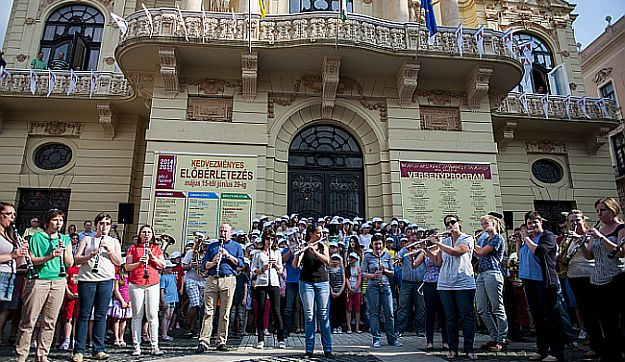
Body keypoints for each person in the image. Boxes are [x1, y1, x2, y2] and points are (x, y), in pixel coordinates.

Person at [15, 208, 74, 362]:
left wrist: (63, 252)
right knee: (29, 320)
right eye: (55, 220)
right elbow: (32, 260)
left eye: (61, 220)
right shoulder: (36, 237)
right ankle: (22, 355)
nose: (58, 223)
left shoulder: (65, 239)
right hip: (38, 280)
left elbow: (70, 263)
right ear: (48, 222)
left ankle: (42, 355)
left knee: (50, 321)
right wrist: (49, 256)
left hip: (58, 281)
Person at [71, 213, 122, 362]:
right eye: (101, 223)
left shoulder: (113, 241)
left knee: (101, 315)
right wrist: (89, 256)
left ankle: (98, 349)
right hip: (87, 280)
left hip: (106, 280)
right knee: (84, 315)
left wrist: (109, 250)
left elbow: (118, 262)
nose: (104, 226)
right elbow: (76, 259)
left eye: (107, 223)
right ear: (96, 225)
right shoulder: (87, 239)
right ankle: (78, 350)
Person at [580, 198, 625, 361]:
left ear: (613, 210)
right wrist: (582, 244)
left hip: (617, 277)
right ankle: (611, 353)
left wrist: (600, 237)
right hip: (597, 279)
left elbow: (621, 252)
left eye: (603, 210)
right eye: (598, 211)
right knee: (605, 320)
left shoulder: (621, 228)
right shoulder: (598, 228)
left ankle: (618, 350)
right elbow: (589, 255)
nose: (599, 214)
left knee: (618, 319)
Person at [518, 211, 563, 362]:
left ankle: (556, 351)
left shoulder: (547, 236)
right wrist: (521, 242)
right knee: (537, 317)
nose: (532, 225)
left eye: (535, 222)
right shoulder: (528, 239)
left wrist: (526, 239)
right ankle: (541, 349)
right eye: (530, 223)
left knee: (550, 317)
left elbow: (540, 251)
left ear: (541, 222)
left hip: (544, 281)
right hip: (529, 281)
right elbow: (522, 257)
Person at [431, 215, 477, 360]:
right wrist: (425, 250)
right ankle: (452, 349)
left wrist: (437, 244)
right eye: (447, 223)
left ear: (459, 223)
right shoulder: (444, 241)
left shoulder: (467, 238)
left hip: (463, 282)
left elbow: (456, 252)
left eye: (452, 222)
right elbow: (438, 262)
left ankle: (469, 349)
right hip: (445, 284)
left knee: (466, 317)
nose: (449, 225)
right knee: (450, 318)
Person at [196, 223, 244, 353]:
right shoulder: (212, 246)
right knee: (208, 312)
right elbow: (204, 264)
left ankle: (221, 341)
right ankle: (204, 341)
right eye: (221, 230)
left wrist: (228, 255)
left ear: (230, 233)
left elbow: (241, 263)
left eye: (225, 231)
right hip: (212, 279)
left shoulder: (236, 246)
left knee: (225, 313)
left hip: (228, 279)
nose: (222, 233)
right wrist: (213, 262)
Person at [564, 210, 601, 359]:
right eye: (571, 221)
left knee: (595, 312)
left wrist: (579, 239)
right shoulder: (569, 237)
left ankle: (602, 345)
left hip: (589, 275)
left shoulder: (590, 234)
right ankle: (594, 345)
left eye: (577, 220)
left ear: (583, 220)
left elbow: (589, 254)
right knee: (585, 313)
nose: (574, 223)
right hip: (573, 276)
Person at [125, 225, 166, 356]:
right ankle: (137, 347)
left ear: (152, 235)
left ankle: (155, 346)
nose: (146, 234)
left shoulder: (156, 248)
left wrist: (152, 257)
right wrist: (139, 263)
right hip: (136, 283)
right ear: (140, 235)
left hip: (152, 283)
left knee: (152, 315)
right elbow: (127, 267)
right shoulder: (133, 248)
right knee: (137, 315)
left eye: (149, 232)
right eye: (144, 232)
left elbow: (163, 265)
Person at [293, 225, 333, 358]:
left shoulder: (323, 247)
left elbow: (328, 262)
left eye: (322, 233)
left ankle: (328, 349)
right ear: (311, 233)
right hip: (306, 283)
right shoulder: (304, 246)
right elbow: (295, 265)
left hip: (322, 282)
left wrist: (314, 252)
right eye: (318, 233)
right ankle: (309, 349)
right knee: (309, 316)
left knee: (323, 316)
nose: (321, 235)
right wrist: (299, 253)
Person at [473, 215, 508, 352]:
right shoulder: (484, 239)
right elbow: (478, 255)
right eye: (482, 223)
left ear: (494, 223)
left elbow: (482, 251)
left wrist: (470, 242)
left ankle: (502, 339)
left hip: (493, 273)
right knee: (481, 308)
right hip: (482, 273)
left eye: (486, 223)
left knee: (497, 307)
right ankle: (494, 336)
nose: (483, 225)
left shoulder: (497, 238)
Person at [362, 233, 402, 348]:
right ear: (372, 244)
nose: (378, 246)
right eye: (376, 244)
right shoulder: (368, 256)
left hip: (385, 286)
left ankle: (392, 339)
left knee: (389, 313)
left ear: (383, 244)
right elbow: (363, 273)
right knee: (374, 313)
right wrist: (373, 276)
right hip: (372, 287)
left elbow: (393, 272)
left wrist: (385, 270)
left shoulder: (387, 255)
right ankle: (376, 339)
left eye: (380, 244)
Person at [251, 231, 285, 349]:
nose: (269, 241)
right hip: (261, 283)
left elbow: (281, 270)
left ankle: (281, 338)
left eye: (272, 239)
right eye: (267, 238)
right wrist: (262, 269)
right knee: (260, 310)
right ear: (264, 239)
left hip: (274, 282)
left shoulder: (277, 253)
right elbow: (252, 269)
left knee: (276, 310)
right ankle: (260, 339)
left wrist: (275, 265)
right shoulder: (258, 253)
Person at [0, 203, 28, 345]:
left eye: (14, 214)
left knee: (5, 310)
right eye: (9, 214)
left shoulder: (11, 234)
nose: (12, 217)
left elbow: (16, 262)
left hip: (10, 274)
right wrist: (12, 254)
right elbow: (10, 256)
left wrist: (23, 252)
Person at [414, 236, 448, 351]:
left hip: (443, 283)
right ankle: (429, 341)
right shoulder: (425, 251)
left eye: (438, 238)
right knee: (430, 313)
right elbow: (414, 265)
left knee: (443, 313)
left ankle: (445, 341)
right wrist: (408, 256)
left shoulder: (443, 250)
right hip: (429, 283)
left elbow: (438, 263)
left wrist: (427, 251)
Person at [395, 231, 426, 338]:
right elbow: (397, 258)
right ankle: (400, 330)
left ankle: (420, 329)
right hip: (406, 282)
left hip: (420, 283)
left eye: (414, 241)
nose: (412, 243)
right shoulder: (404, 250)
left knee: (420, 307)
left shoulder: (423, 251)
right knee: (403, 307)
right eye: (410, 240)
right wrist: (400, 257)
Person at [181, 238, 207, 336]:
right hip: (191, 280)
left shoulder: (206, 254)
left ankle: (192, 328)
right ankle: (187, 324)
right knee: (195, 303)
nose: (203, 247)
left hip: (203, 281)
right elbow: (182, 267)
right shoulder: (190, 253)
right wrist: (191, 265)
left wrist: (204, 269)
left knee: (199, 306)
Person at [281, 232, 301, 338]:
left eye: (295, 240)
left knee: (302, 306)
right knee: (288, 307)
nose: (294, 242)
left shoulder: (303, 248)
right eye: (292, 240)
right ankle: (287, 329)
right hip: (290, 281)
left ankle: (301, 328)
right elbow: (283, 260)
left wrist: (299, 250)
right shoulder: (286, 249)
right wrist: (291, 249)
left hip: (302, 280)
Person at [109, 261, 131, 347]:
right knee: (117, 319)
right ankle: (116, 338)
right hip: (119, 301)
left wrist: (130, 301)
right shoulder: (118, 277)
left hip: (128, 300)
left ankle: (122, 337)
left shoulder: (130, 277)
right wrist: (122, 301)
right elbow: (116, 290)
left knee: (124, 319)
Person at [58, 261, 79, 351]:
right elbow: (65, 281)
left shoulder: (84, 269)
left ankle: (74, 338)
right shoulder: (70, 269)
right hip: (70, 297)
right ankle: (67, 339)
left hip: (80, 297)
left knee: (76, 318)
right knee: (68, 318)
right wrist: (68, 293)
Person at [160, 260, 178, 341]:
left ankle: (166, 333)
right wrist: (163, 301)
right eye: (169, 267)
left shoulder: (173, 276)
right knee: (166, 316)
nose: (171, 269)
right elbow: (162, 290)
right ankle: (164, 333)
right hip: (167, 299)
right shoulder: (163, 277)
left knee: (169, 316)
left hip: (173, 298)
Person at [230, 258, 249, 338]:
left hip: (241, 298)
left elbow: (245, 287)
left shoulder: (243, 276)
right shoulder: (232, 275)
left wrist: (245, 298)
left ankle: (240, 332)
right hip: (233, 298)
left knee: (241, 316)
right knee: (232, 316)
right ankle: (230, 331)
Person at [328, 254, 346, 334]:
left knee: (340, 310)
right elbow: (328, 281)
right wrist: (331, 291)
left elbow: (344, 281)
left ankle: (339, 326)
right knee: (333, 310)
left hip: (340, 292)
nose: (335, 261)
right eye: (333, 259)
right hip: (332, 291)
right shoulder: (329, 269)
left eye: (337, 259)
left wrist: (340, 292)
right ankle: (334, 326)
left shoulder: (341, 269)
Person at [345, 252, 362, 334]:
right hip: (349, 290)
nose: (351, 259)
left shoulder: (358, 268)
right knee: (349, 309)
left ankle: (357, 327)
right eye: (350, 257)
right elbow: (346, 279)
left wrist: (356, 288)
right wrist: (350, 288)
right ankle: (349, 327)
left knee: (357, 309)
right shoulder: (347, 268)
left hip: (357, 290)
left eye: (353, 258)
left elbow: (359, 279)